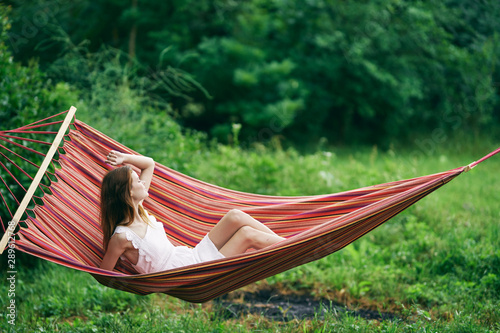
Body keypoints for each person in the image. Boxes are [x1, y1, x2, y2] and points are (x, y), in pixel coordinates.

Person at [100, 150, 285, 274]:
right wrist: (139, 286)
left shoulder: (139, 209)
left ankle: (291, 245)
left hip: (190, 257)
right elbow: (104, 275)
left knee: (235, 215)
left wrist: (124, 158)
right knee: (247, 234)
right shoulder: (123, 237)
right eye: (137, 181)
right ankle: (292, 248)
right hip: (191, 273)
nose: (142, 182)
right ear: (128, 192)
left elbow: (149, 164)